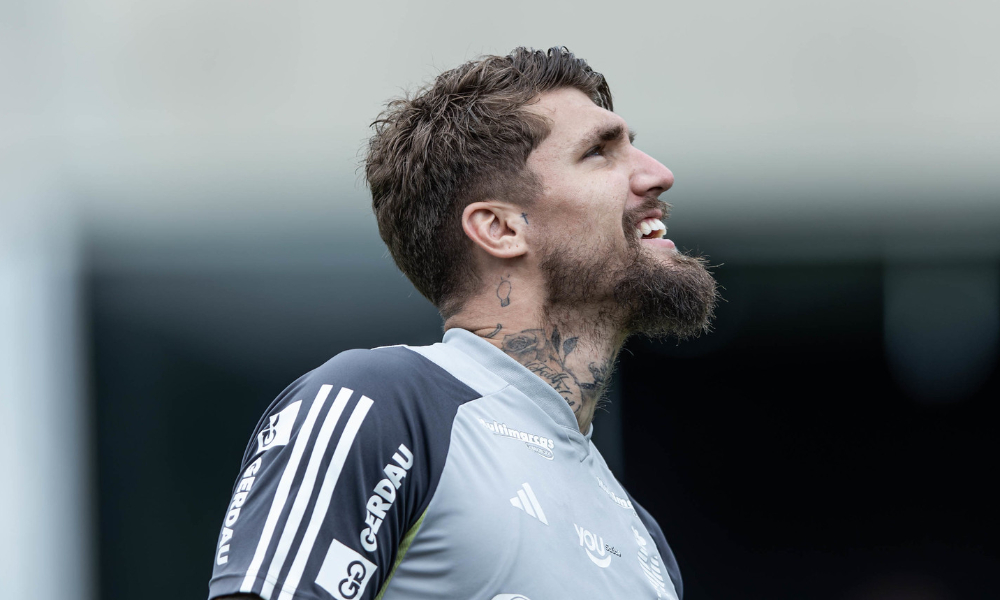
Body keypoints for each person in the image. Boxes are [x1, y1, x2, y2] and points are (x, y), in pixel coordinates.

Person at [208, 46, 717, 600]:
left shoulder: (643, 537)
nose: (658, 175)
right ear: (500, 228)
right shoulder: (379, 404)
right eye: (600, 152)